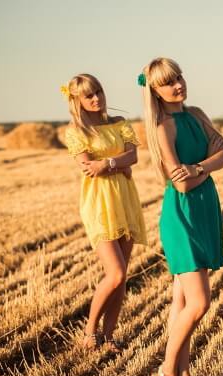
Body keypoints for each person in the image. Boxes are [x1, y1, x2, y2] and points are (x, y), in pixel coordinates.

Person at [139, 57, 223, 376]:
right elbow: (180, 185)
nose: (177, 85)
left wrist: (197, 168)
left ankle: (182, 367)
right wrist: (206, 165)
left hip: (204, 209)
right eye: (168, 82)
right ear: (155, 90)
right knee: (199, 302)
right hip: (182, 216)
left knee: (181, 302)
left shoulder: (197, 115)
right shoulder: (163, 127)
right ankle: (167, 370)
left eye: (178, 77)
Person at [62, 73, 147, 352]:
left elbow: (133, 156)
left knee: (122, 277)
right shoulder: (76, 132)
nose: (96, 98)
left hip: (125, 199)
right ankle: (90, 331)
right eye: (89, 95)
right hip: (99, 202)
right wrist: (120, 165)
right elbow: (89, 168)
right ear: (77, 101)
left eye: (98, 91)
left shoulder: (120, 123)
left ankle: (109, 336)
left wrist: (108, 163)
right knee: (116, 273)